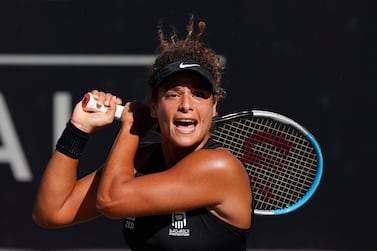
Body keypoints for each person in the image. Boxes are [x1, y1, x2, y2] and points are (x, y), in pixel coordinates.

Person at [32, 15, 253, 251]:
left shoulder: (219, 167)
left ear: (214, 106)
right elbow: (51, 212)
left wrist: (132, 126)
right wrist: (79, 129)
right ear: (154, 107)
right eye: (173, 94)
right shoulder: (142, 160)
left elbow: (110, 201)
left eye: (199, 94)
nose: (186, 104)